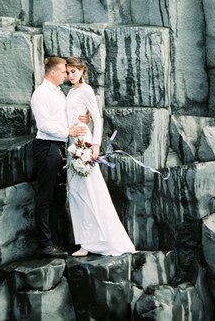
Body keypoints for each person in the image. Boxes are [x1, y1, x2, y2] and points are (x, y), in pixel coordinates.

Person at [65, 56, 136, 257]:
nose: (71, 75)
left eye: (74, 71)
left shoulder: (86, 90)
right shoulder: (70, 91)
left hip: (83, 144)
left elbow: (97, 117)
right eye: (68, 72)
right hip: (72, 144)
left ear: (82, 71)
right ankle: (85, 242)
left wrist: (95, 145)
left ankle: (101, 240)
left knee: (91, 191)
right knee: (78, 193)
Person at [31, 56, 88, 258]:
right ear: (53, 72)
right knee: (45, 196)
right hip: (47, 146)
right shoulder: (40, 94)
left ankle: (56, 241)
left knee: (58, 196)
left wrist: (84, 118)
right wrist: (68, 132)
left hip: (60, 146)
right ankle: (45, 244)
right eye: (64, 71)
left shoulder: (59, 93)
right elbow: (44, 125)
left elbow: (67, 116)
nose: (67, 74)